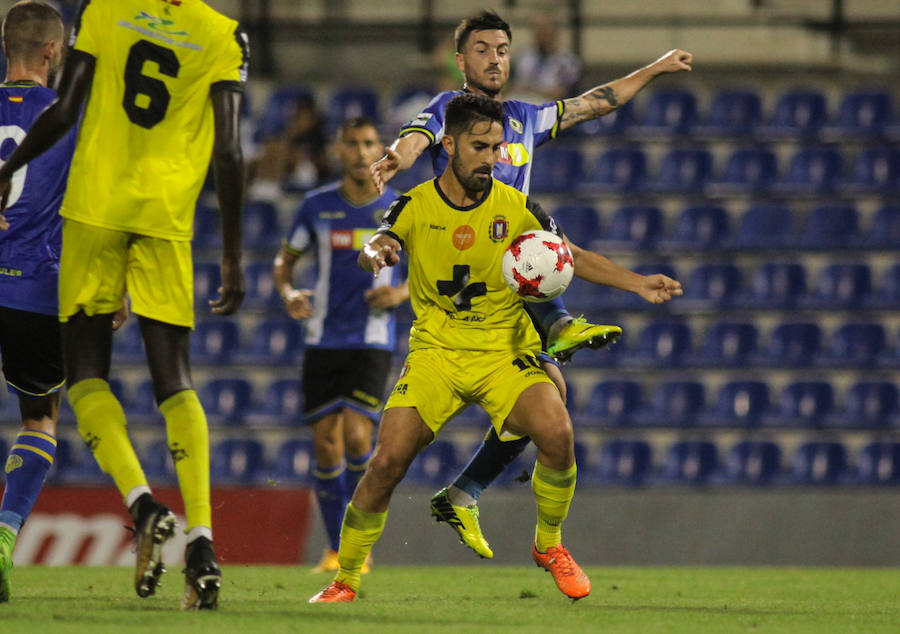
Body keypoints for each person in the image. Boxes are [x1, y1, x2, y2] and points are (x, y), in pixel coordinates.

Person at [310, 93, 682, 603]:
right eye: (479, 146)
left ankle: (548, 545)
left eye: (497, 147)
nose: (490, 158)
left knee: (557, 433)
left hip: (503, 348)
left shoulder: (518, 206)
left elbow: (566, 254)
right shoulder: (416, 204)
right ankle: (346, 579)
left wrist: (636, 283)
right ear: (449, 144)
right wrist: (379, 251)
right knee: (386, 463)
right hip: (436, 353)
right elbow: (382, 238)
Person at [370, 9, 693, 559]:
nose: (494, 58)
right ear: (461, 59)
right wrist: (394, 160)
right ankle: (559, 330)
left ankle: (466, 493)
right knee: (546, 400)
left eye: (502, 49)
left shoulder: (525, 117)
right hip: (465, 274)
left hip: (514, 265)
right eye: (482, 49)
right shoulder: (447, 112)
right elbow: (414, 139)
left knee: (554, 402)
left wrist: (655, 68)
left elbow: (596, 102)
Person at [0, 0, 249, 610]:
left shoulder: (104, 12)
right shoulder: (221, 34)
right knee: (166, 382)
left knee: (85, 382)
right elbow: (229, 150)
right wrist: (234, 256)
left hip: (96, 211)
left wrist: (10, 168)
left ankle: (141, 505)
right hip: (149, 222)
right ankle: (200, 540)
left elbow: (69, 107)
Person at [272, 116, 408, 574]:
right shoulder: (315, 206)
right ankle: (336, 549)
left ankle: (357, 546)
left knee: (356, 437)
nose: (362, 151)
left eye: (370, 143)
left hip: (372, 338)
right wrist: (289, 292)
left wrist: (401, 293)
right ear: (339, 149)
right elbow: (284, 262)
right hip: (323, 338)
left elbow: (432, 266)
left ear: (381, 150)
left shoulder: (401, 207)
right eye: (353, 143)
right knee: (326, 446)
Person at [0, 0, 72, 603]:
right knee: (40, 418)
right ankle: (3, 534)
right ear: (53, 51)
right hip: (33, 288)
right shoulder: (67, 117)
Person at [510, 16, 582, 102]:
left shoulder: (569, 62)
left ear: (554, 34)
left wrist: (531, 90)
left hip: (549, 106)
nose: (540, 37)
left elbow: (561, 93)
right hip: (521, 103)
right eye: (537, 32)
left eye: (544, 32)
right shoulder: (524, 56)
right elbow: (513, 85)